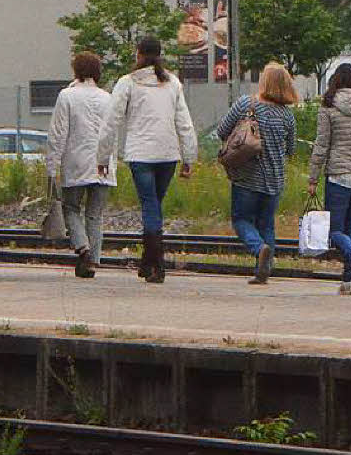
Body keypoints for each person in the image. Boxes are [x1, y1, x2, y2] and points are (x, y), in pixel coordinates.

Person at [96, 36, 198, 283]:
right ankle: (148, 262)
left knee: (150, 206)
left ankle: (157, 265)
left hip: (140, 154)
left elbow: (111, 122)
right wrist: (189, 157)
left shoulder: (127, 83)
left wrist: (102, 156)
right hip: (167, 155)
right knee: (154, 205)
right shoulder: (172, 83)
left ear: (138, 54)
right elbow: (184, 122)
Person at [217, 63, 297, 285]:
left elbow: (222, 130)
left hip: (246, 177)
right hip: (274, 180)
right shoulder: (287, 115)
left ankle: (257, 247)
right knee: (267, 224)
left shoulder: (246, 104)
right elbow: (291, 150)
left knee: (242, 220)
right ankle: (264, 270)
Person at [46, 52, 116, 278]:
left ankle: (83, 250)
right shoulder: (108, 98)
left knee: (71, 208)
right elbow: (112, 133)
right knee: (95, 214)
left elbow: (58, 134)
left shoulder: (67, 96)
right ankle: (93, 260)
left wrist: (51, 167)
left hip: (75, 162)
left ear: (76, 71)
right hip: (103, 165)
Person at [308, 63, 351, 294]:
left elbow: (322, 146)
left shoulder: (328, 105)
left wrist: (313, 177)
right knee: (350, 226)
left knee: (333, 231)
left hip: (338, 177)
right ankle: (348, 280)